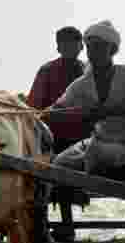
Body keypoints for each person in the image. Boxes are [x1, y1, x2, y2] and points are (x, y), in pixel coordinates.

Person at [45, 20, 125, 242]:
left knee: (96, 152)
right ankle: (67, 226)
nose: (93, 52)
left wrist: (109, 111)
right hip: (97, 141)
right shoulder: (82, 83)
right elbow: (57, 107)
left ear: (111, 49)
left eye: (99, 46)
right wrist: (37, 113)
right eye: (90, 47)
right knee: (57, 164)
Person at [27, 26, 86, 154]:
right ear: (59, 48)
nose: (71, 47)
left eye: (74, 42)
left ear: (81, 46)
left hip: (84, 138)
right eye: (66, 43)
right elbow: (33, 109)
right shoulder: (47, 71)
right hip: (53, 139)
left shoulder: (89, 71)